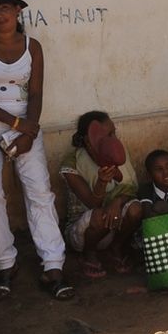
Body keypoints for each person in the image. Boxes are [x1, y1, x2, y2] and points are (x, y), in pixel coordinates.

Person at [0, 0, 73, 301]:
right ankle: (6, 262)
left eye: (6, 7)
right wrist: (16, 125)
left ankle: (53, 263)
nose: (1, 14)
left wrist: (28, 132)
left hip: (25, 122)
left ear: (18, 11)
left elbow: (35, 94)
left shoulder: (32, 46)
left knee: (39, 190)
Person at [59, 111, 142, 278]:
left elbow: (131, 187)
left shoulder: (117, 152)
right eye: (109, 134)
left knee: (136, 209)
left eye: (114, 133)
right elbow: (93, 204)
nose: (114, 138)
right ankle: (89, 254)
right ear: (90, 141)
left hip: (114, 223)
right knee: (99, 215)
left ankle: (116, 248)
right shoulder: (72, 163)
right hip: (84, 231)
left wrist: (117, 202)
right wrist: (102, 182)